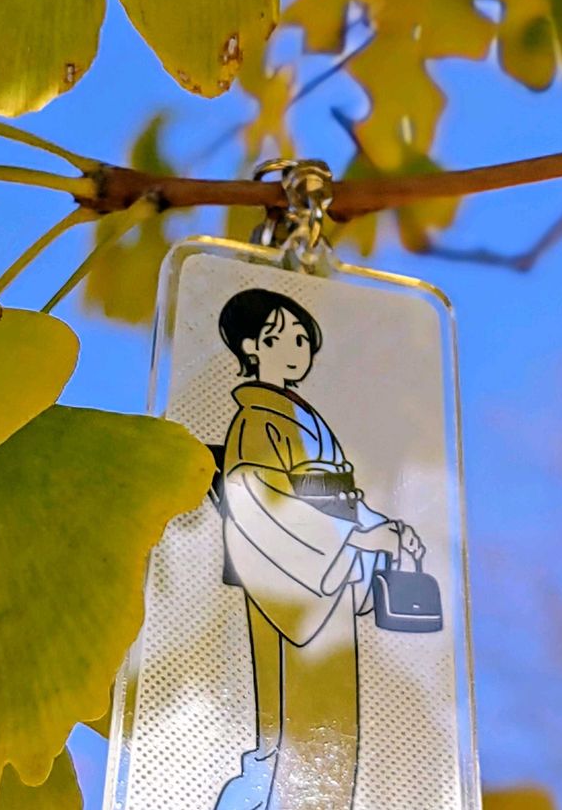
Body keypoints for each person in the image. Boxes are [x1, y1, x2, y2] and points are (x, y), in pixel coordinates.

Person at [214, 288, 425, 810]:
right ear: (250, 348)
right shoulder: (256, 419)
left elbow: (339, 497)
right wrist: (355, 537)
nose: (295, 349)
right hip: (291, 580)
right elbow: (257, 498)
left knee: (330, 721)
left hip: (329, 577)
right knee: (291, 718)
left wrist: (384, 528)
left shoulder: (306, 416)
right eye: (277, 338)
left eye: (301, 339)